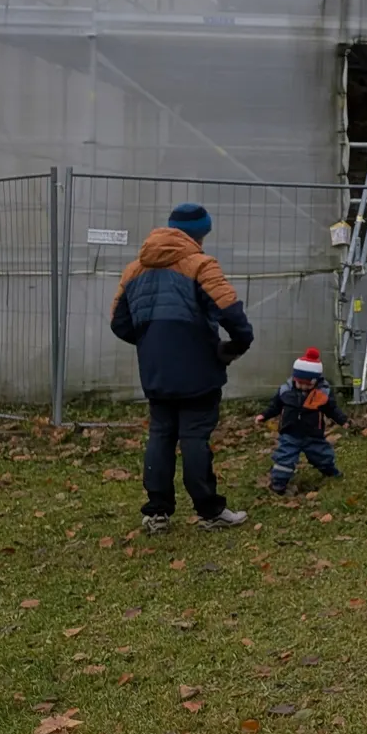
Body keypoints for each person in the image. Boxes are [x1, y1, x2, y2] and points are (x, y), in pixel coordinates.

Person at [109, 202, 252, 532]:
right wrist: (236, 345)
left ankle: (157, 512)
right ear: (200, 233)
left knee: (160, 435)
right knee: (194, 438)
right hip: (198, 369)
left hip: (155, 371)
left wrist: (152, 342)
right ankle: (209, 511)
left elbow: (119, 323)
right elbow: (231, 312)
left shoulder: (134, 270)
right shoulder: (201, 265)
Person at [255, 347, 349, 494]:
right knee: (284, 459)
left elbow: (331, 410)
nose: (303, 387)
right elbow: (275, 406)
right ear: (294, 379)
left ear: (316, 381)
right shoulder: (285, 391)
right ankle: (278, 484)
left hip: (313, 434)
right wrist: (264, 415)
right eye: (300, 383)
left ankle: (330, 472)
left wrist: (343, 420)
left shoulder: (322, 394)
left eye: (308, 384)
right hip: (290, 433)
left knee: (323, 455)